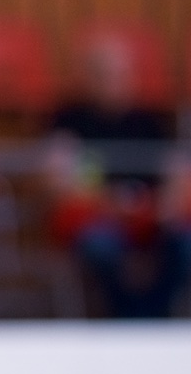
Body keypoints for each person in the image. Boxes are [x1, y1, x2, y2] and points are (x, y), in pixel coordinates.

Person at [44, 34, 189, 318]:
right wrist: (111, 205)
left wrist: (165, 206)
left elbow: (176, 171)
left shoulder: (150, 121)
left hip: (149, 217)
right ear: (89, 77)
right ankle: (124, 319)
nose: (115, 82)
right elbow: (58, 179)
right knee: (102, 248)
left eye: (122, 74)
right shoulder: (69, 120)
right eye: (105, 74)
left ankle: (155, 316)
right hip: (98, 217)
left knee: (184, 245)